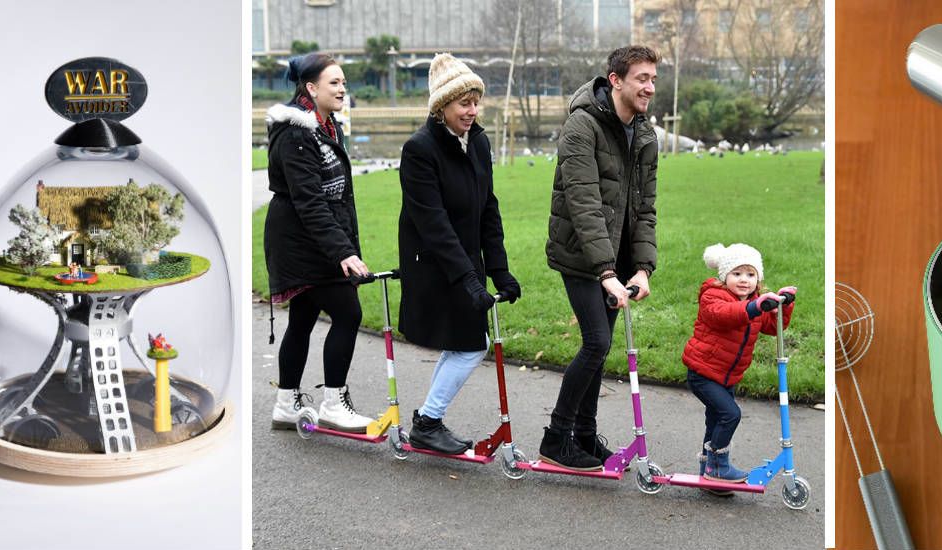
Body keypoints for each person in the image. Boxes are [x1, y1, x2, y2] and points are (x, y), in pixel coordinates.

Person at [540, 45, 660, 470]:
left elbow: (645, 207)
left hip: (618, 258)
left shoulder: (644, 133)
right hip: (581, 254)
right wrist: (605, 272)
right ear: (615, 80)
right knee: (596, 343)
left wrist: (642, 267)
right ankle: (556, 438)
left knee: (599, 346)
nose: (649, 87)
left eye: (652, 79)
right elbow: (583, 203)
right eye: (641, 78)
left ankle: (585, 437)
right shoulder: (581, 126)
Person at [397, 53, 520, 454]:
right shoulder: (419, 149)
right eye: (463, 103)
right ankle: (429, 421)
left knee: (461, 343)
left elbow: (489, 208)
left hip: (466, 263)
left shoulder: (478, 142)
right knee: (471, 345)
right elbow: (433, 223)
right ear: (440, 107)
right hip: (435, 265)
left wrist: (499, 271)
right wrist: (468, 278)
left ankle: (426, 421)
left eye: (475, 101)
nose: (472, 110)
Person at [263, 53, 375, 432]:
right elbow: (309, 201)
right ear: (311, 88)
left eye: (344, 82)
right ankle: (333, 403)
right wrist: (343, 251)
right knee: (348, 313)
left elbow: (337, 196)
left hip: (312, 236)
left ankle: (285, 403)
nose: (343, 88)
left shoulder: (326, 127)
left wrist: (346, 243)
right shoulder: (296, 133)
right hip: (299, 240)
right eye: (334, 83)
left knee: (304, 316)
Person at [683, 244, 795, 492]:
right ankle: (718, 466)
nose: (744, 280)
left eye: (750, 274)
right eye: (737, 274)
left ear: (758, 279)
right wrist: (754, 307)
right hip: (703, 373)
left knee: (715, 421)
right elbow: (724, 315)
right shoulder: (713, 296)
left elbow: (770, 326)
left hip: (727, 376)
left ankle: (709, 474)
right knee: (729, 414)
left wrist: (783, 306)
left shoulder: (755, 301)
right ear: (724, 276)